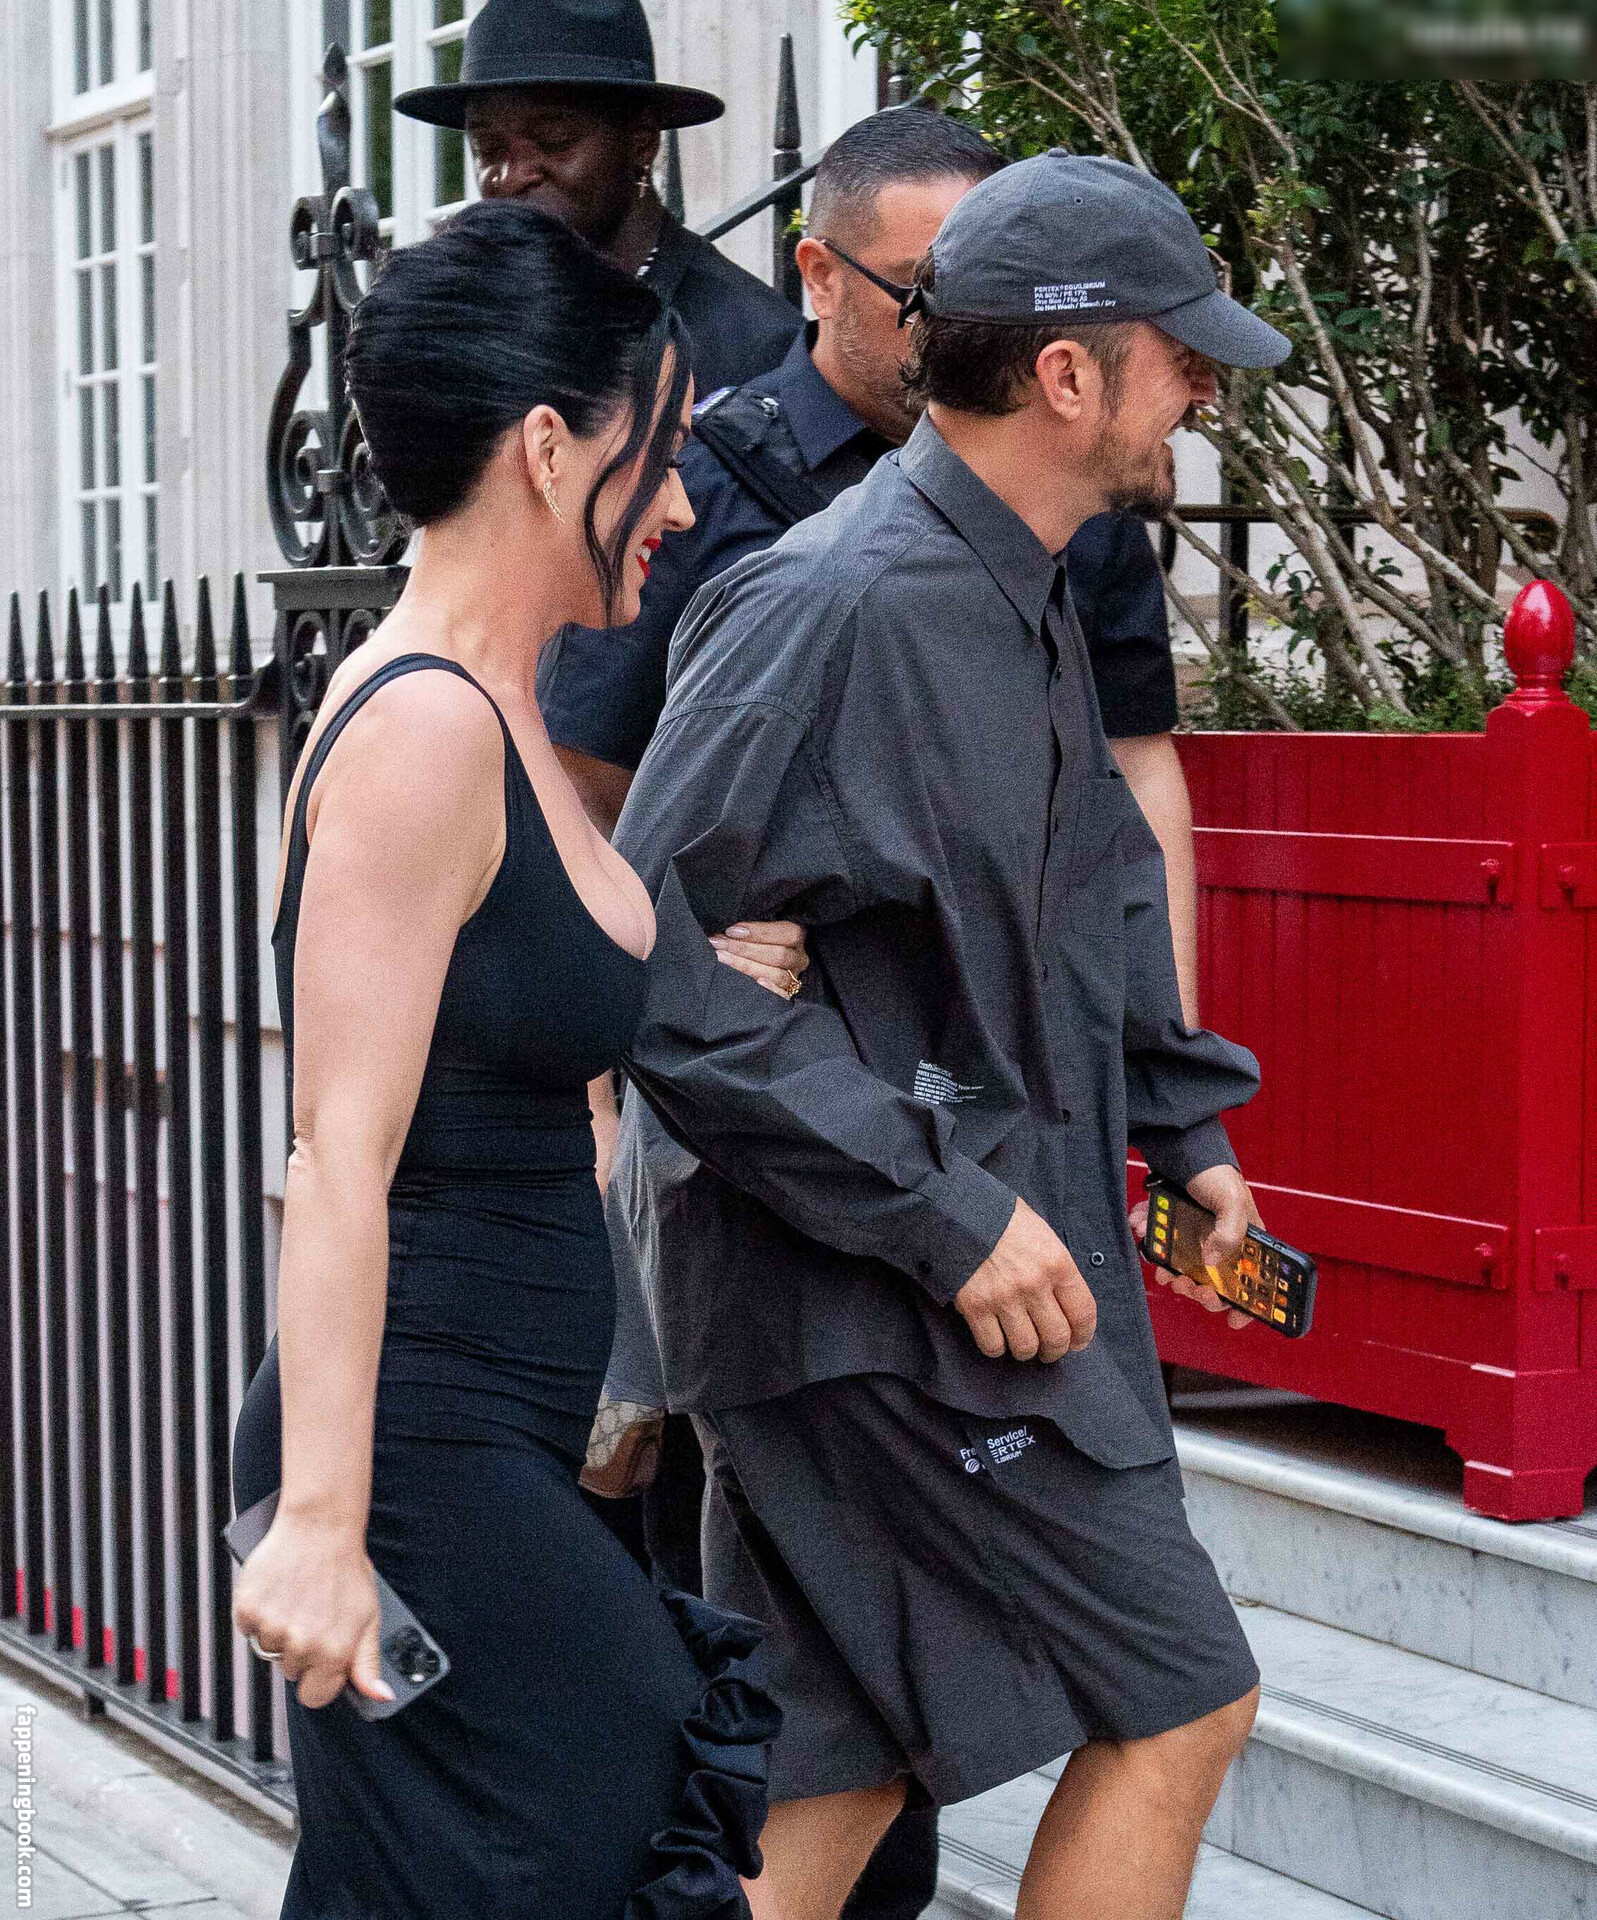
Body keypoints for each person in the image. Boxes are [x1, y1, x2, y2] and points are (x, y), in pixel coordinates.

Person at [610, 152, 1292, 1920]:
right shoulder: (831, 603)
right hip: (880, 1307)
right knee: (1182, 1698)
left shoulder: (1026, 580)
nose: (1202, 389)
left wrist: (1185, 1135)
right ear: (1066, 374)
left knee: (831, 1778)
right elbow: (653, 966)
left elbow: (1090, 895)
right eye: (1178, 356)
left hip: (906, 1287)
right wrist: (951, 1215)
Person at [227, 201, 818, 1920]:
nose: (682, 507)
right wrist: (324, 1523)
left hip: (487, 1423)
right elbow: (338, 1148)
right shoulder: (422, 725)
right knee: (580, 1827)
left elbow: (513, 1007)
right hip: (412, 1445)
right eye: (663, 454)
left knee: (470, 1873)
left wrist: (700, 963)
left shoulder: (501, 713)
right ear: (552, 451)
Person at [394, 0, 801, 398]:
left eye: (553, 140)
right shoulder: (467, 323)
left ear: (642, 142)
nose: (512, 176)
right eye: (488, 148)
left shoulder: (757, 347)